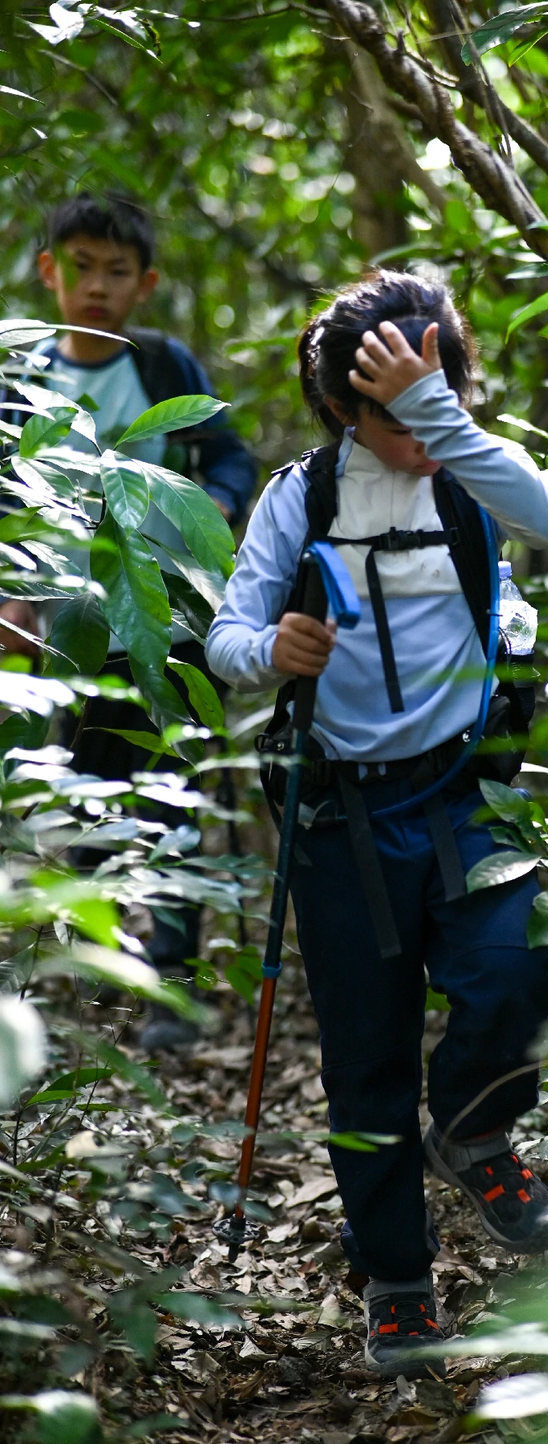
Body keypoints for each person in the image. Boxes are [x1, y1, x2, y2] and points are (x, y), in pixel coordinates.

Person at [206, 271, 548, 1378]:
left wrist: (436, 414)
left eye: (442, 398)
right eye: (397, 414)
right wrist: (273, 651)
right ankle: (399, 1282)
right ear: (341, 410)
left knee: (521, 966)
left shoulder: (468, 473)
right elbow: (226, 637)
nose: (422, 433)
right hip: (342, 815)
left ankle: (472, 1127)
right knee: (366, 1058)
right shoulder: (303, 497)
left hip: (466, 788)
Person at [0, 192, 258, 1050]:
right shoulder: (24, 376)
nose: (97, 287)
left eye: (117, 271)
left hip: (168, 622)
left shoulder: (163, 368)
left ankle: (174, 987)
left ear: (144, 284)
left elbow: (227, 456)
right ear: (49, 272)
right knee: (83, 798)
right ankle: (106, 975)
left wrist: (210, 513)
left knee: (172, 797)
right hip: (68, 630)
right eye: (82, 268)